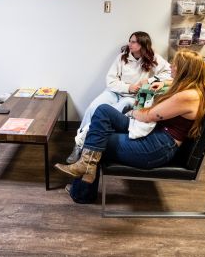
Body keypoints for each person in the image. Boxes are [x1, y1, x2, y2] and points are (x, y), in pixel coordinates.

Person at [55, 49, 205, 184]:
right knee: (103, 111)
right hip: (157, 137)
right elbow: (169, 82)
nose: (171, 66)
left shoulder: (188, 96)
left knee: (94, 137)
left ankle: (82, 190)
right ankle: (85, 171)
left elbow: (148, 116)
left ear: (184, 70)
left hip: (156, 148)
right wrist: (160, 84)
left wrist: (132, 112)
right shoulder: (190, 88)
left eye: (175, 64)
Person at [65, 31, 172, 164]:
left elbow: (169, 72)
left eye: (133, 42)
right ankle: (78, 144)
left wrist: (150, 81)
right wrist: (128, 87)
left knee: (116, 109)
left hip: (133, 97)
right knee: (93, 107)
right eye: (130, 41)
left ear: (143, 44)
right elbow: (110, 81)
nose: (130, 44)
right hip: (114, 92)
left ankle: (84, 145)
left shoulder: (153, 58)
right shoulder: (122, 57)